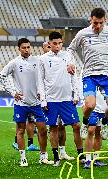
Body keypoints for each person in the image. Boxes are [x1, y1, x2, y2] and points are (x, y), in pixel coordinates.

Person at [66, 8, 108, 140]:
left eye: (101, 23)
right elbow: (70, 49)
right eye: (95, 23)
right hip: (90, 75)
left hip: (106, 74)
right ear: (91, 20)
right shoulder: (83, 34)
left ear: (105, 20)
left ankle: (104, 123)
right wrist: (70, 63)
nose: (98, 26)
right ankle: (85, 122)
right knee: (90, 105)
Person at [0, 38, 52, 166]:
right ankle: (23, 158)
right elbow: (2, 76)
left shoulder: (37, 61)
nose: (27, 50)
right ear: (19, 49)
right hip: (21, 103)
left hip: (36, 102)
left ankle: (43, 156)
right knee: (21, 130)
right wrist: (12, 92)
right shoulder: (14, 63)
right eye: (24, 47)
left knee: (43, 130)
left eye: (28, 47)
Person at [39, 32, 84, 166]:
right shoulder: (43, 59)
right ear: (49, 44)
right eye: (54, 43)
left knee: (76, 125)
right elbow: (40, 80)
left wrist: (76, 95)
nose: (58, 46)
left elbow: (73, 76)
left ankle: (81, 155)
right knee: (53, 128)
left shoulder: (68, 56)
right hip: (51, 99)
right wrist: (43, 100)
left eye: (59, 43)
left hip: (67, 99)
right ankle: (56, 157)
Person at [84, 88, 108, 168]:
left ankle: (96, 159)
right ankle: (88, 160)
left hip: (104, 108)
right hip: (93, 108)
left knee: (99, 132)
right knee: (91, 131)